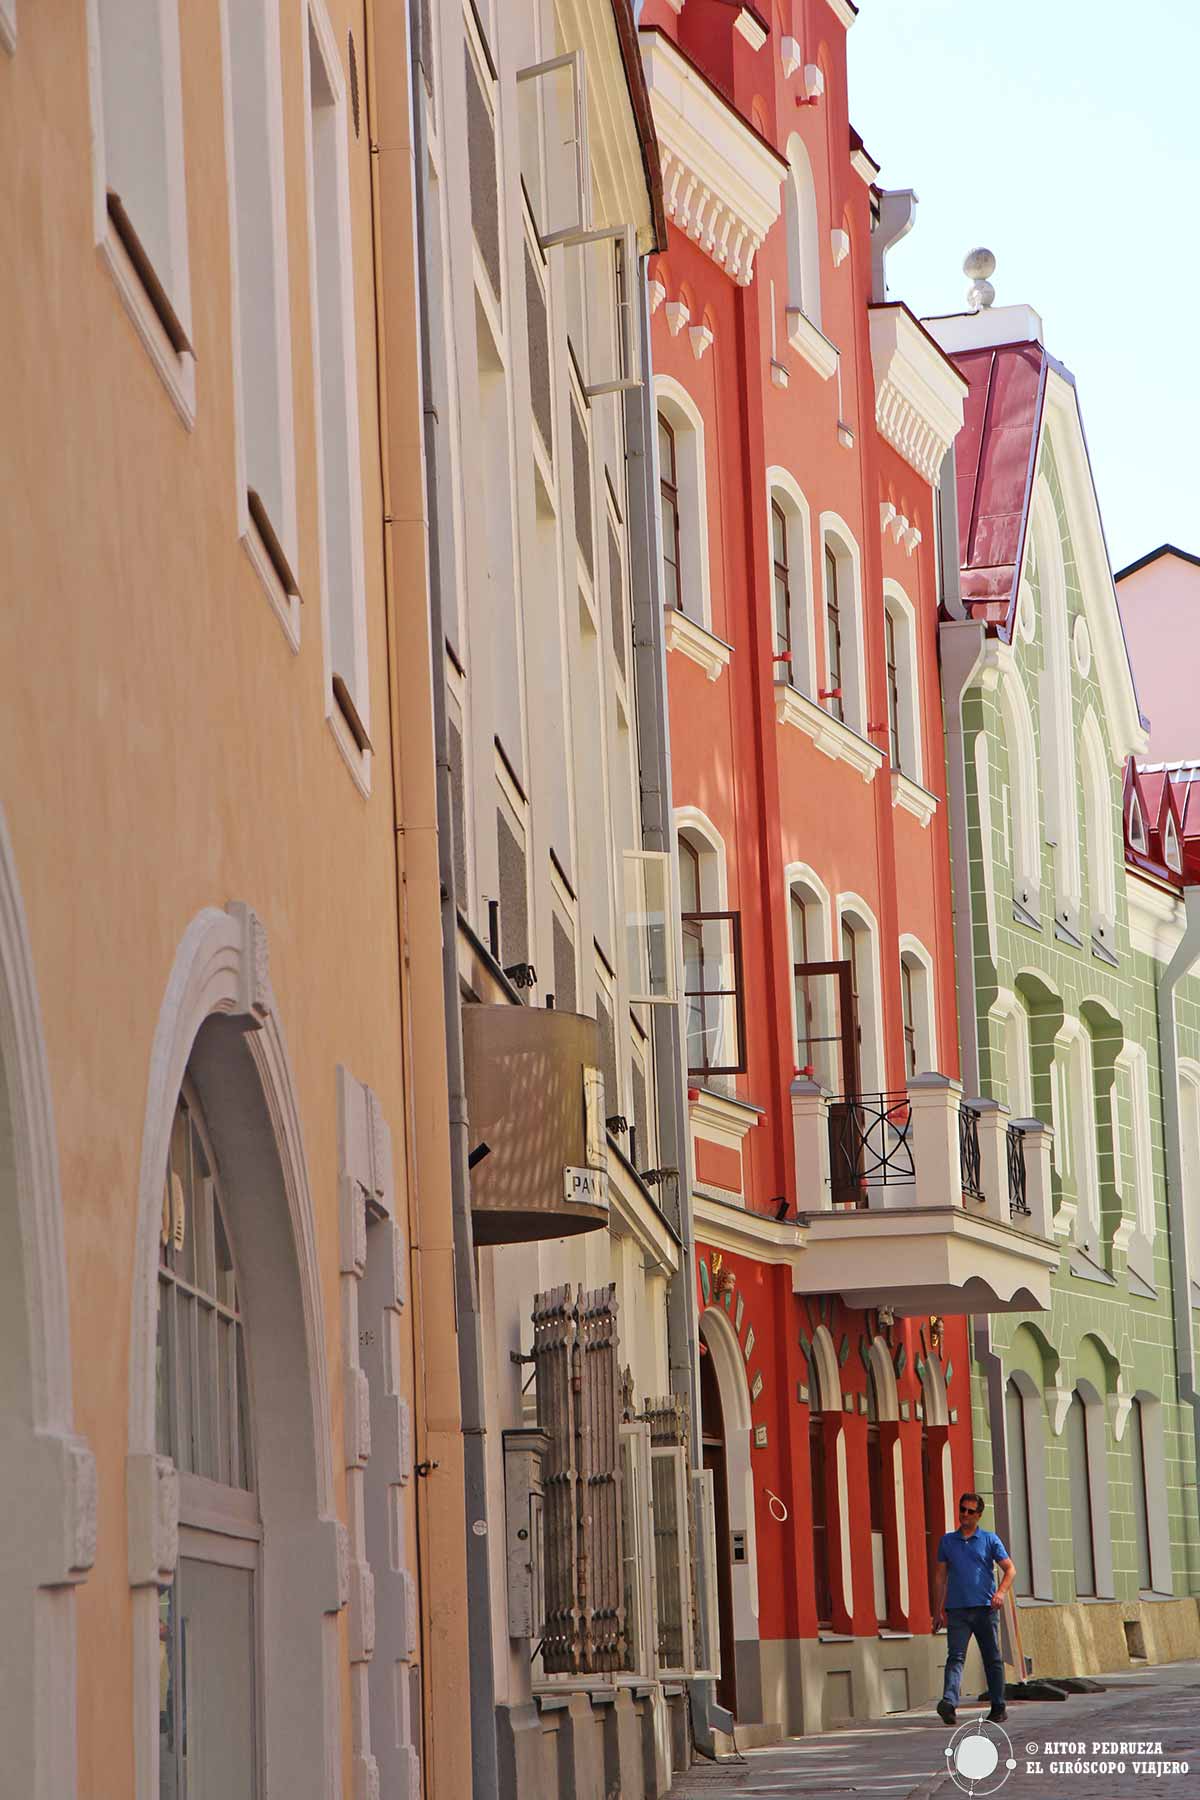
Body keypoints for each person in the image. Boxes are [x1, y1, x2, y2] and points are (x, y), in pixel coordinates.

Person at [931, 1491, 1015, 1726]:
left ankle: (998, 1706)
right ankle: (948, 1703)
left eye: (970, 1511)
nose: (964, 1515)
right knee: (955, 1657)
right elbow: (940, 1577)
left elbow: (1010, 1569)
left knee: (992, 1658)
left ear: (978, 1515)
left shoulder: (990, 1540)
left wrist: (1000, 1593)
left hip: (985, 1609)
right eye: (962, 1510)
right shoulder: (947, 1541)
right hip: (956, 1610)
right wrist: (937, 1610)